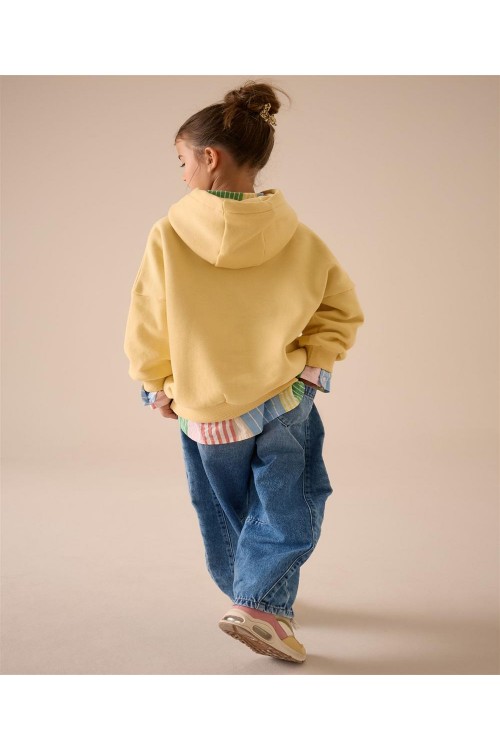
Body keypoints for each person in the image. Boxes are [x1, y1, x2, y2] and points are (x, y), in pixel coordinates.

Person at [123, 80, 365, 663]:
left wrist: (155, 385)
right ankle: (261, 603)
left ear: (210, 158)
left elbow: (148, 318)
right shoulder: (300, 238)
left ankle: (255, 598)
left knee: (225, 508)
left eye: (183, 161)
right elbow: (339, 308)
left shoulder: (167, 235)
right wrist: (314, 367)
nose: (183, 174)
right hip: (283, 398)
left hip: (205, 408)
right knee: (290, 501)